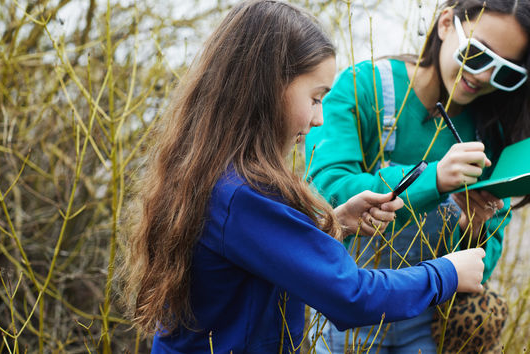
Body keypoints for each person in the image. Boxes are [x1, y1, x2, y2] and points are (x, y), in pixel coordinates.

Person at [121, 1, 487, 353]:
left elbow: (256, 253)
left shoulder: (214, 176)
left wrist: (334, 225)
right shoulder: (244, 195)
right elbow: (352, 296)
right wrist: (447, 274)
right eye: (315, 98)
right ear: (267, 87)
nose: (319, 119)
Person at [306, 0, 530, 352]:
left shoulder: (492, 130)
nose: (483, 76)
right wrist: (434, 180)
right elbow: (326, 196)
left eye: (504, 72)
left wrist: (472, 227)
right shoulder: (363, 88)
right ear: (444, 24)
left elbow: (479, 274)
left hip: (428, 328)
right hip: (347, 316)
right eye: (477, 54)